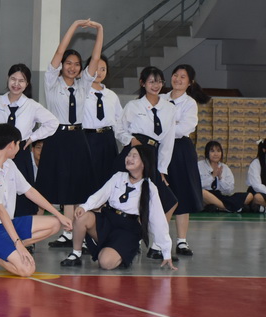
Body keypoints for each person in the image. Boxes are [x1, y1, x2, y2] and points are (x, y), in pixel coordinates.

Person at [0, 124, 72, 276]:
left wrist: (59, 214)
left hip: (8, 224)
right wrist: (18, 244)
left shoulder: (9, 164)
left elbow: (29, 191)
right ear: (12, 145)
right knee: (27, 270)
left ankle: (1, 248)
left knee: (55, 224)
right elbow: (0, 211)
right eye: (19, 144)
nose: (19, 148)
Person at [37, 19, 103, 248]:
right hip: (57, 137)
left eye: (77, 64)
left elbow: (96, 59)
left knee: (77, 186)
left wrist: (100, 30)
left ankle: (75, 233)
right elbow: (58, 51)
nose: (72, 67)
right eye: (68, 63)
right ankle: (63, 233)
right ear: (62, 65)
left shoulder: (83, 84)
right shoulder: (52, 83)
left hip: (78, 138)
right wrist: (74, 26)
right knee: (56, 185)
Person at [60, 145, 177, 271]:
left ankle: (118, 252)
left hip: (127, 229)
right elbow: (101, 194)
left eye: (134, 156)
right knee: (82, 216)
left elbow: (158, 220)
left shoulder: (150, 188)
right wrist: (84, 207)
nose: (129, 158)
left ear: (144, 163)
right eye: (128, 155)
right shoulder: (118, 176)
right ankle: (76, 253)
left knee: (105, 263)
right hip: (108, 219)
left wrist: (166, 252)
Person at [115, 66, 178, 261]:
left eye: (159, 81)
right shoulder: (133, 106)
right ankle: (129, 242)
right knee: (132, 200)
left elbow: (168, 141)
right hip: (135, 153)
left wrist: (162, 169)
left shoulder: (169, 108)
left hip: (154, 155)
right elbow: (119, 129)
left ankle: (157, 245)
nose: (155, 85)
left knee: (169, 201)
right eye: (151, 81)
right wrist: (131, 140)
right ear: (143, 83)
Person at [0, 63, 58, 218]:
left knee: (21, 195)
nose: (16, 84)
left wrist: (32, 138)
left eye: (21, 81)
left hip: (19, 153)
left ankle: (22, 229)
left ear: (27, 84)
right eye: (13, 79)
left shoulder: (31, 105)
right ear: (7, 79)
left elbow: (53, 122)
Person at [160, 64, 210, 256]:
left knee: (182, 194)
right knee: (159, 194)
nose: (178, 79)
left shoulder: (190, 103)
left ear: (190, 82)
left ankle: (181, 241)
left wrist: (165, 127)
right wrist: (170, 125)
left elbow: (184, 128)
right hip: (159, 147)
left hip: (180, 150)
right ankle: (158, 240)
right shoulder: (161, 98)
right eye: (175, 75)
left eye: (183, 77)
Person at [83, 54, 121, 184]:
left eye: (103, 69)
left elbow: (120, 120)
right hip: (88, 138)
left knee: (108, 177)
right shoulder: (81, 92)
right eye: (95, 68)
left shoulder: (111, 95)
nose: (99, 72)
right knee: (88, 178)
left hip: (108, 139)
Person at [198, 140, 250, 212]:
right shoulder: (200, 165)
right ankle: (227, 208)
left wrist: (220, 178)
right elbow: (197, 185)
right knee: (201, 193)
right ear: (207, 153)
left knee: (249, 196)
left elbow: (229, 190)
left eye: (218, 151)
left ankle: (219, 207)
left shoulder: (225, 167)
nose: (216, 154)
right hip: (207, 195)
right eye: (212, 151)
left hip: (221, 196)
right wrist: (212, 176)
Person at [246, 139, 266, 211]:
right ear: (264, 150)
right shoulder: (256, 163)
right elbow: (256, 185)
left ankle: (262, 208)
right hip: (259, 192)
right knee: (258, 197)